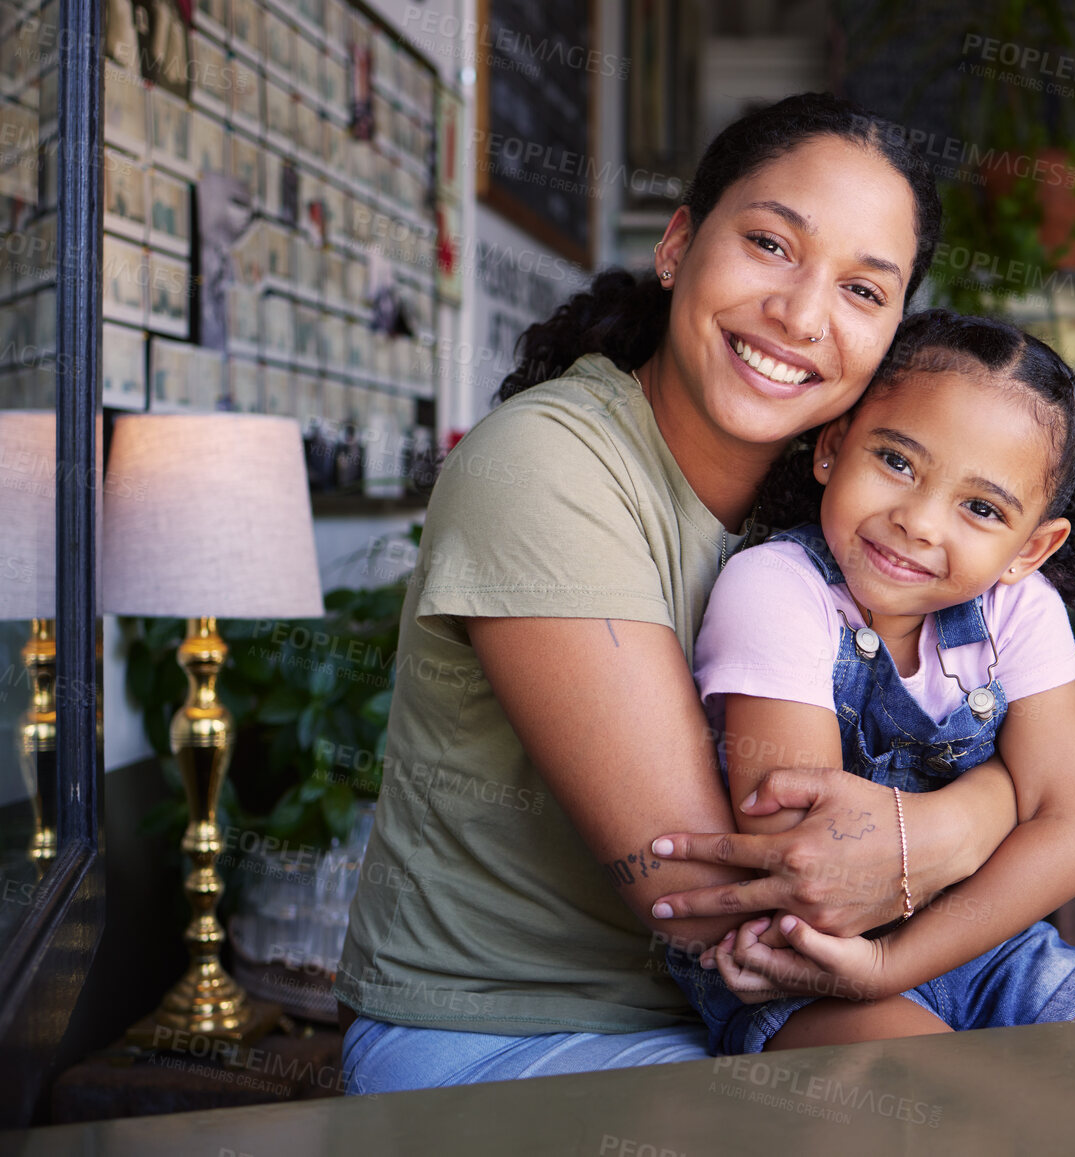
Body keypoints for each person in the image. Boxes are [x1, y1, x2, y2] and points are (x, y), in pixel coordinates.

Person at [334, 93, 1029, 1093]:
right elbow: (702, 896)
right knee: (957, 1106)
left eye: (863, 291)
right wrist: (985, 822)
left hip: (769, 1005)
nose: (800, 315)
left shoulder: (851, 508)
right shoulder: (547, 464)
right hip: (509, 1036)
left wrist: (962, 823)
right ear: (677, 245)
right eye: (769, 243)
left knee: (1066, 1081)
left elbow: (1044, 759)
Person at [664, 310, 1075, 1055]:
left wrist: (893, 963)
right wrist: (1005, 800)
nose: (920, 522)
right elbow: (811, 859)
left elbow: (1074, 835)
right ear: (834, 446)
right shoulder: (776, 588)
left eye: (982, 508)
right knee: (950, 1111)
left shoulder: (1017, 608)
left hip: (986, 947)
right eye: (897, 462)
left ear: (1032, 548)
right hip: (797, 969)